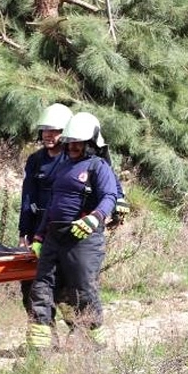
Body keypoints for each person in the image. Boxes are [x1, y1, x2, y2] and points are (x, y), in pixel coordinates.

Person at [26, 112, 117, 351]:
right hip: (53, 237)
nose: (73, 147)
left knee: (83, 289)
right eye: (70, 142)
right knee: (42, 288)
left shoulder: (99, 167)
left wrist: (95, 218)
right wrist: (39, 235)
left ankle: (93, 341)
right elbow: (52, 204)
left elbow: (110, 196)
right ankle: (40, 349)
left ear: (91, 143)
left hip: (83, 238)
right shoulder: (64, 166)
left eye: (79, 143)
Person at [18, 103, 72, 315]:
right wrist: (24, 233)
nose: (48, 135)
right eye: (45, 130)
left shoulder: (72, 160)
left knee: (66, 286)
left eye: (55, 130)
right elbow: (27, 197)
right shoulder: (35, 160)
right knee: (32, 285)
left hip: (63, 231)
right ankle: (42, 329)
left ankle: (79, 329)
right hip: (37, 232)